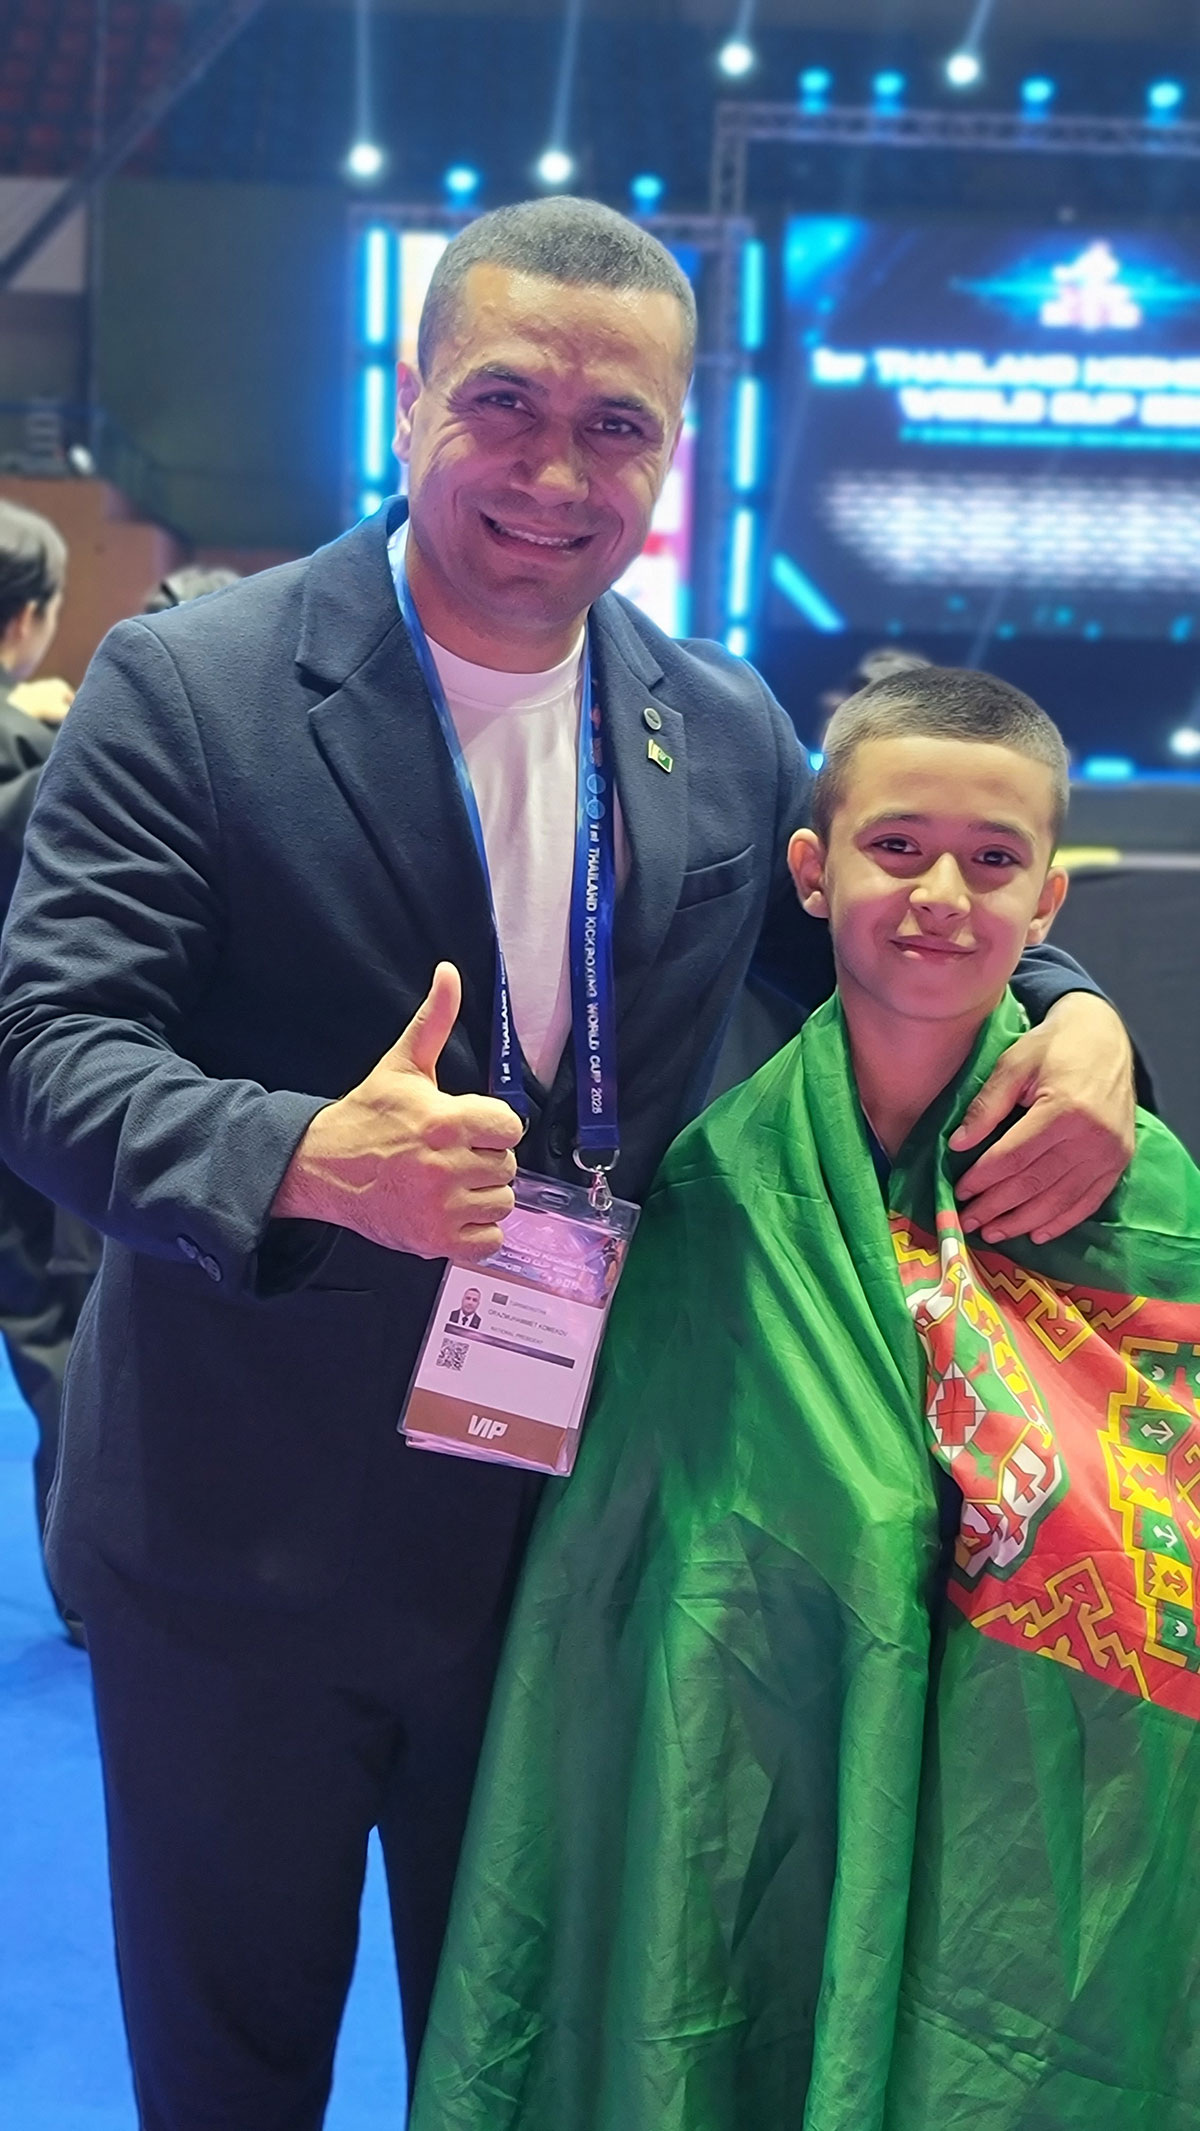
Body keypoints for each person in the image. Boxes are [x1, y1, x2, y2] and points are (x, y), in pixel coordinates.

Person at [0, 201, 1136, 2127]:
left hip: (571, 1554)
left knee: (525, 2066)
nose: (556, 470)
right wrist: (302, 1156)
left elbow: (882, 938)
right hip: (239, 1541)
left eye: (618, 427)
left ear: (673, 451)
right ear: (413, 396)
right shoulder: (191, 687)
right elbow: (46, 1049)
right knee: (233, 2076)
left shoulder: (719, 721)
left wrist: (1077, 1009)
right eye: (505, 403)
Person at [410, 666, 1200, 2131]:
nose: (942, 895)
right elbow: (656, 1580)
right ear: (812, 873)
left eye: (993, 859)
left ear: (1049, 902)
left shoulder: (1133, 1191)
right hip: (770, 1774)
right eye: (896, 847)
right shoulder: (717, 1197)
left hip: (1048, 1806)